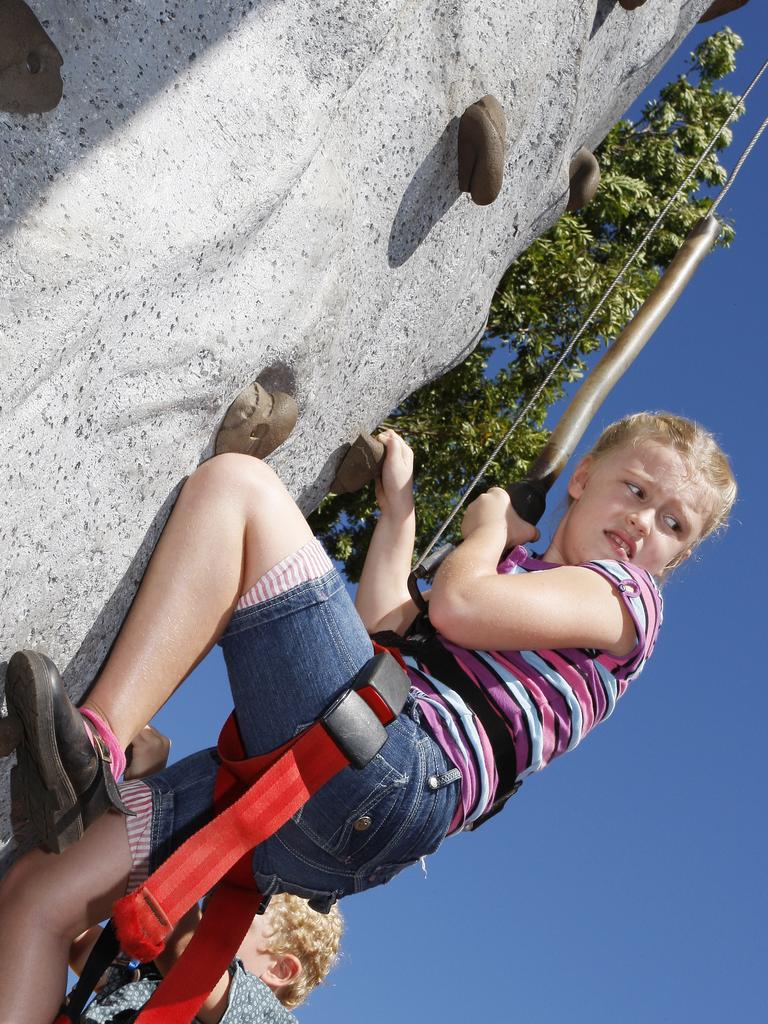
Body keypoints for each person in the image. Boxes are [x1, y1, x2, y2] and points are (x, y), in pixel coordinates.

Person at [0, 411, 736, 1024]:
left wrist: (487, 527)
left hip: (395, 769)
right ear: (581, 480)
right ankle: (86, 779)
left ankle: (97, 742)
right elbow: (387, 632)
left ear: (677, 558)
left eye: (674, 523)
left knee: (237, 487)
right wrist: (400, 509)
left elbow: (458, 606)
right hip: (336, 794)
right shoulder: (529, 587)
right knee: (38, 894)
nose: (644, 522)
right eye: (634, 490)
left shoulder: (627, 601)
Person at [72, 892, 343, 1024]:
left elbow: (185, 954)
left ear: (280, 969)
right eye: (205, 912)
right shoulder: (148, 974)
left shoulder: (265, 1018)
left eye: (224, 922)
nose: (200, 923)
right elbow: (82, 945)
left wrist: (163, 862)